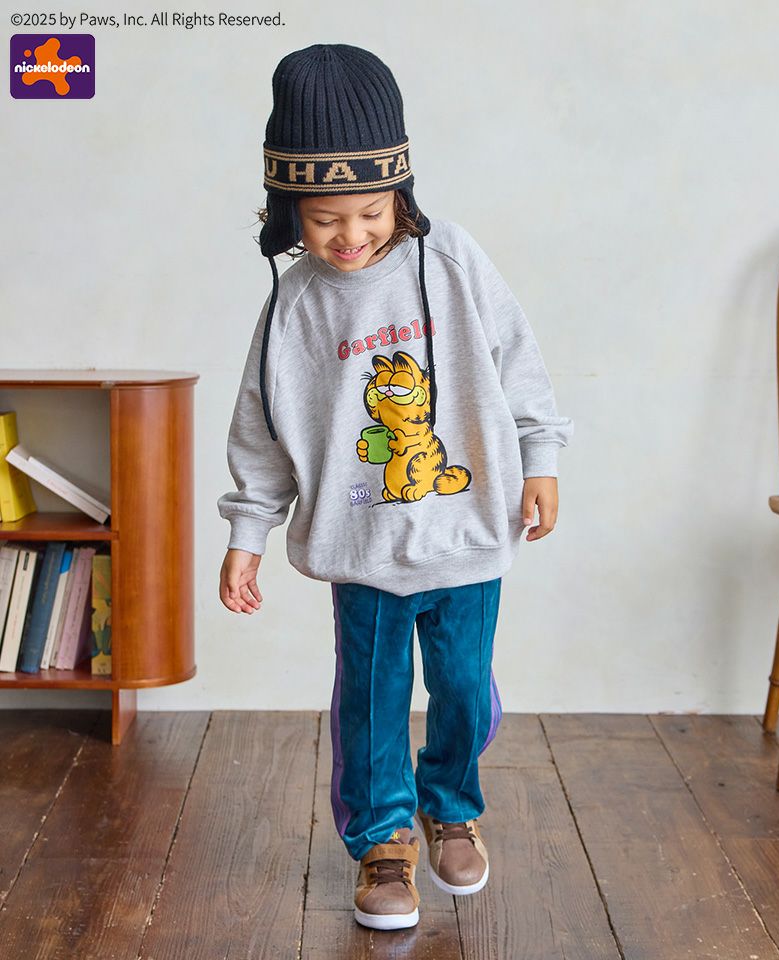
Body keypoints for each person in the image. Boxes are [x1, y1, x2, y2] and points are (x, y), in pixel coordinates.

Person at [217, 43, 574, 932]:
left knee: (461, 688)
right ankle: (383, 841)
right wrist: (247, 534)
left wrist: (540, 458)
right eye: (324, 219)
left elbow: (517, 358)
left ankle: (452, 805)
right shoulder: (295, 304)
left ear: (401, 195)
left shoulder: (450, 258)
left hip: (469, 535)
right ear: (287, 212)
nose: (351, 236)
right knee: (372, 704)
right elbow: (262, 428)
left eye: (371, 213)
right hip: (363, 549)